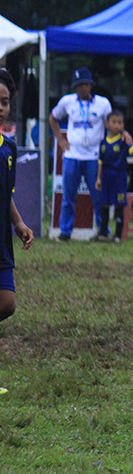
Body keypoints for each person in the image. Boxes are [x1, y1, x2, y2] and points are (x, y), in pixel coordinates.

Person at [49, 67, 116, 241]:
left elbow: (111, 124)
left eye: (86, 85)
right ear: (75, 87)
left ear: (91, 85)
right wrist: (60, 140)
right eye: (79, 85)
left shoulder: (103, 104)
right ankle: (65, 232)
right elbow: (53, 117)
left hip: (94, 156)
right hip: (73, 155)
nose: (83, 89)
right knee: (68, 195)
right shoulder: (67, 102)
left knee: (98, 196)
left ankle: (103, 231)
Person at [0, 68, 34, 321]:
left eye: (5, 102)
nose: (1, 107)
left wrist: (19, 222)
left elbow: (6, 194)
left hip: (1, 237)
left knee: (7, 304)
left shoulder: (9, 148)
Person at [94, 110, 130, 243]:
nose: (116, 125)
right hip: (106, 176)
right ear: (107, 124)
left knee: (119, 204)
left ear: (123, 125)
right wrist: (98, 178)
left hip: (119, 176)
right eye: (114, 122)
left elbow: (132, 150)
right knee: (104, 204)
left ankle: (118, 235)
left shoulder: (123, 140)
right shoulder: (103, 143)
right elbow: (100, 161)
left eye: (119, 122)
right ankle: (103, 232)